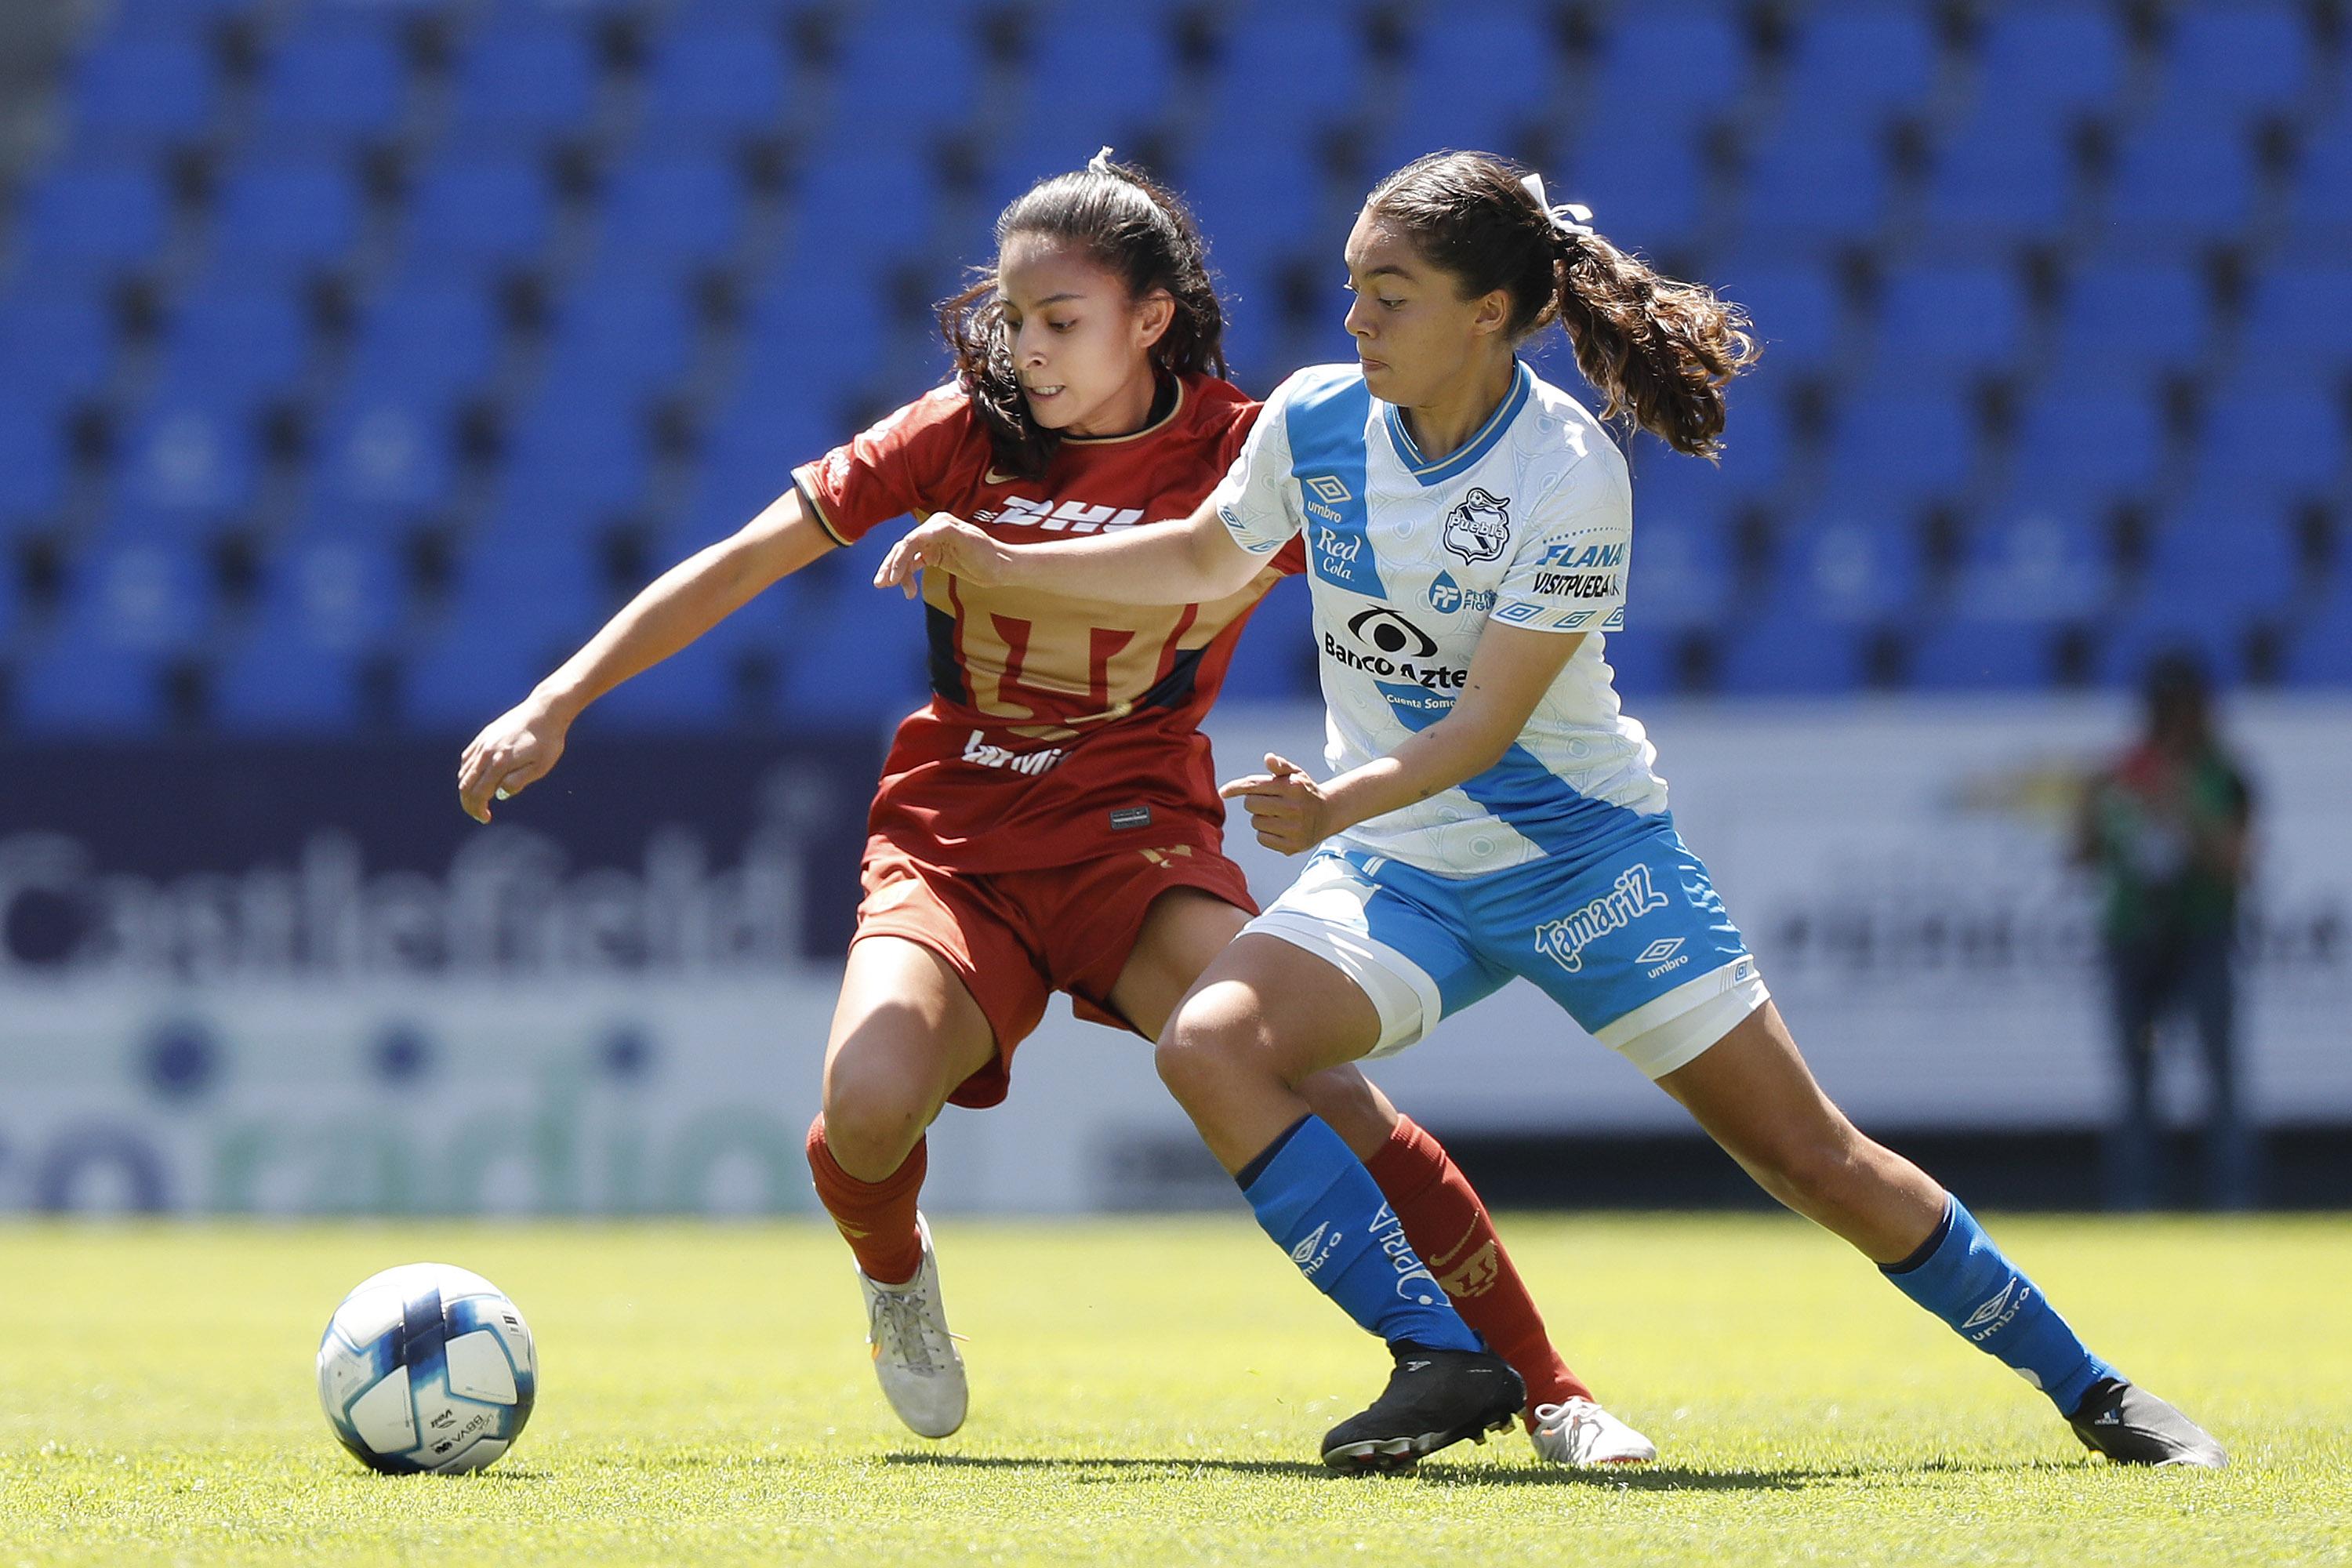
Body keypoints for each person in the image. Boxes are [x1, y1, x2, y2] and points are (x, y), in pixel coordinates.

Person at [877, 150, 2228, 1473]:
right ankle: (1444, 1357)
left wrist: (1335, 801)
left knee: (1815, 1162)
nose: (1354, 319)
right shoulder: (1312, 419)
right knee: (1213, 1047)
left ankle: (2096, 1392)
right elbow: (1197, 558)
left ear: (1491, 314)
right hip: (1408, 867)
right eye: (1352, 286)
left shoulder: (1568, 467)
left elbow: (1484, 726)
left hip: (1586, 866)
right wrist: (1003, 560)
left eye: (1389, 293)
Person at [458, 152, 1650, 1465]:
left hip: (1134, 831)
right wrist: (557, 700)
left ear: (1150, 320)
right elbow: (748, 556)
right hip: (956, 833)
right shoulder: (955, 435)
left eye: (1060, 320)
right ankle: (897, 1275)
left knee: (1314, 1081)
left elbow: (1430, 591)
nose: (1025, 348)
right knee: (865, 1107)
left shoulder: (1257, 451)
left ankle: (1542, 1386)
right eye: (1013, 319)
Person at [2074, 651, 2257, 1210]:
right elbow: (2083, 854)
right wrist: (2100, 802)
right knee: (2135, 1080)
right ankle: (2136, 1199)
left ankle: (2234, 1198)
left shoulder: (2224, 775)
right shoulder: (2120, 773)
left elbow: (2235, 864)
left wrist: (2178, 802)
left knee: (2220, 1074)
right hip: (2135, 936)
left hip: (2201, 932)